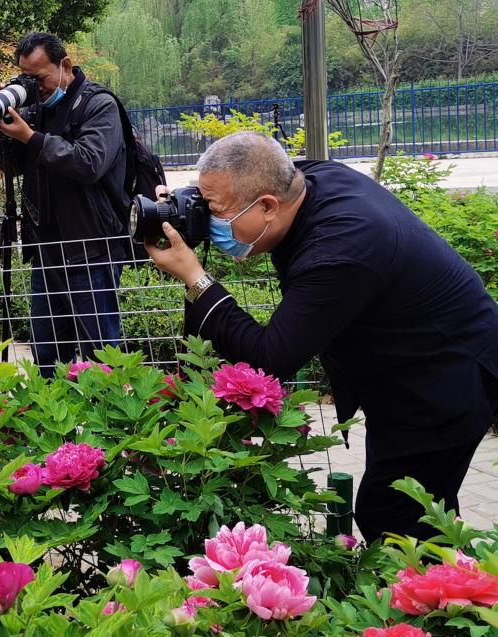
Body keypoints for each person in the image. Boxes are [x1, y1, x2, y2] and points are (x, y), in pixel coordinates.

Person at [146, 131, 498, 542]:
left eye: (216, 210)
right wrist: (186, 208)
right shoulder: (308, 180)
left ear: (267, 207)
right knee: (417, 509)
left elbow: (271, 355)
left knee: (398, 516)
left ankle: (453, 599)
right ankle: (453, 591)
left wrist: (195, 278)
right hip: (407, 368)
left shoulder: (342, 246)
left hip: (446, 378)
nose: (212, 219)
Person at [0, 31, 127, 378]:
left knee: (102, 358)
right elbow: (15, 167)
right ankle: (57, 429)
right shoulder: (35, 109)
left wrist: (30, 136)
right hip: (46, 252)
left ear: (64, 65)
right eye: (26, 77)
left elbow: (89, 163)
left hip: (92, 251)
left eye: (39, 77)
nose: (34, 86)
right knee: (49, 357)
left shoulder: (99, 105)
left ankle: (111, 427)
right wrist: (3, 131)